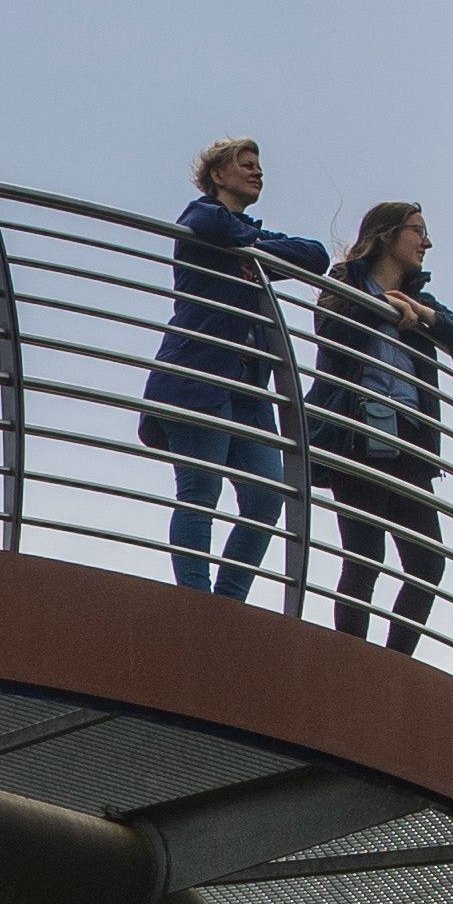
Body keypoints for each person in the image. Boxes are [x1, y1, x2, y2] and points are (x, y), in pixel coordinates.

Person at [137, 135, 324, 599]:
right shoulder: (200, 216)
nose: (257, 171)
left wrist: (252, 248)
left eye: (259, 165)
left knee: (266, 497)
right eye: (246, 164)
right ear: (218, 175)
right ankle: (196, 600)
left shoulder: (245, 232)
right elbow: (206, 224)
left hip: (247, 391)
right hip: (198, 378)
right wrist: (255, 249)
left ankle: (228, 600)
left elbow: (315, 255)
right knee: (201, 490)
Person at [312, 197, 453, 659]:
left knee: (427, 562)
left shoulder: (422, 301)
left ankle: (393, 662)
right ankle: (352, 663)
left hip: (409, 440)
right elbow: (333, 333)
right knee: (365, 556)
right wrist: (382, 308)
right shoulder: (344, 283)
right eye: (417, 230)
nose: (426, 242)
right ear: (387, 235)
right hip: (356, 434)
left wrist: (422, 313)